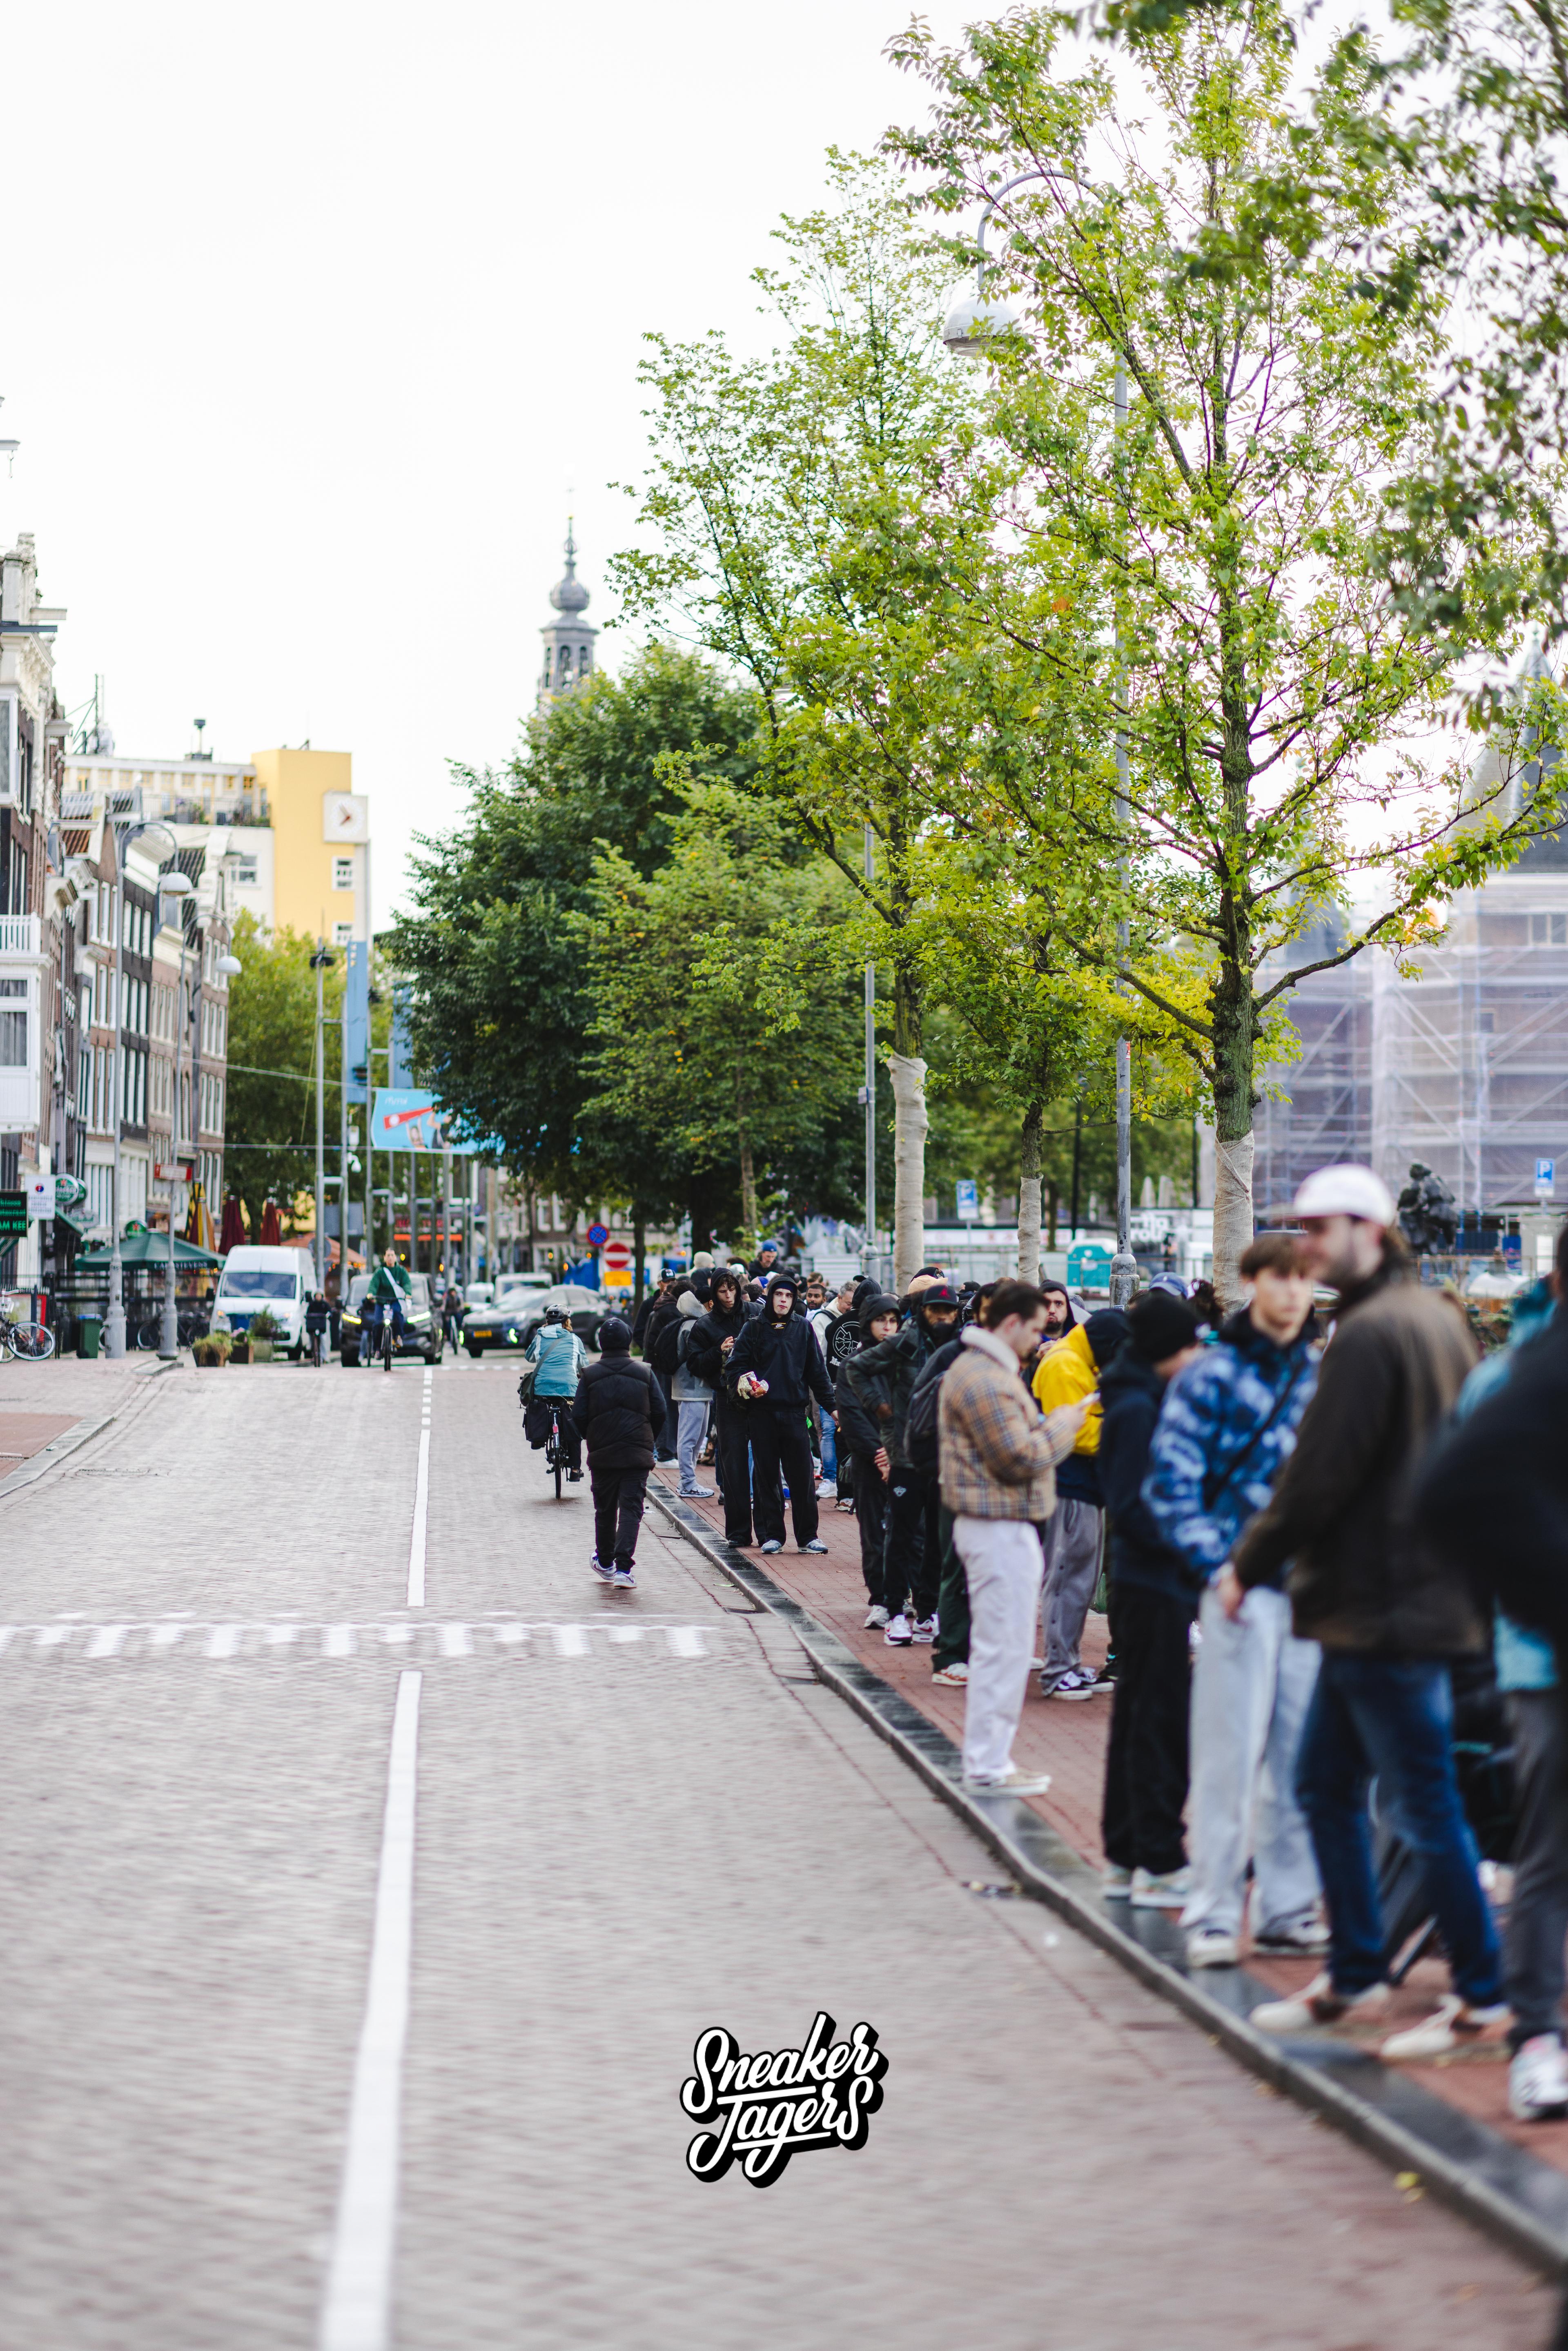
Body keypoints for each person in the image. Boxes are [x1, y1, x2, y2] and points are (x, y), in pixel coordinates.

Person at [1236, 1167, 1501, 2057]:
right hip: (1407, 1600)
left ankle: (1482, 1995)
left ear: (1372, 1230)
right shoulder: (1438, 1320)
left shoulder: (1366, 1333)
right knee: (1332, 1785)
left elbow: (1319, 1474)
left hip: (1377, 1606)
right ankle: (1358, 1972)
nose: (1308, 1245)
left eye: (1322, 1229)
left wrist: (1250, 1563)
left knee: (1420, 1804)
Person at [1412, 1228, 1568, 2113]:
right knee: (1549, 1848)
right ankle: (1536, 2035)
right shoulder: (1516, 1377)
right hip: (1542, 1655)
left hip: (1530, 1641)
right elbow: (1456, 1497)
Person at [1142, 1233, 1323, 1965]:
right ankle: (1215, 1909)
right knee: (1228, 1753)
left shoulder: (1320, 1377)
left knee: (1297, 1758)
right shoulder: (1210, 1375)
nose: (1291, 1292)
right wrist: (1217, 1566)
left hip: (1311, 1592)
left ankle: (1286, 1907)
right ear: (1252, 1282)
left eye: (1304, 1279)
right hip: (1240, 1588)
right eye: (1279, 1277)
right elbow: (1171, 1481)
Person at [938, 1281, 1090, 1793]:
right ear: (1010, 1324)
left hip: (999, 1524)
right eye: (1034, 1327)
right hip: (997, 1526)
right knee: (1002, 1646)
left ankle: (990, 1759)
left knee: (1000, 1645)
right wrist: (1063, 1426)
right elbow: (1018, 1458)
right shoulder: (985, 1378)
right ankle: (988, 1763)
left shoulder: (985, 1372)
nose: (1039, 1338)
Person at [1098, 1291, 1206, 1905]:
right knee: (1158, 1719)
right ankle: (1159, 1859)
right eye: (1191, 1344)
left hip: (1147, 1581)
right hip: (1154, 1582)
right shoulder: (1139, 1408)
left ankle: (1126, 1853)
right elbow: (1137, 1504)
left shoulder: (1135, 1398)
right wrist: (1194, 1545)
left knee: (1139, 1715)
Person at [839, 1283, 963, 1644]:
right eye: (936, 1309)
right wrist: (883, 1409)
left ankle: (927, 1612)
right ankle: (894, 1612)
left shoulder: (959, 1349)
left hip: (945, 1459)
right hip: (907, 1457)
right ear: (923, 1311)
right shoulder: (906, 1344)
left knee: (937, 1540)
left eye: (949, 1311)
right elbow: (856, 1370)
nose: (942, 1316)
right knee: (900, 1534)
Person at [1032, 1308, 1129, 1699]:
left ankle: (1068, 1663)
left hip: (1082, 1485)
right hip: (1069, 1485)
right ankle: (1058, 1669)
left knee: (1080, 1581)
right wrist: (1123, 1425)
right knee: (1066, 1578)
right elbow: (1076, 1432)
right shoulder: (1064, 1364)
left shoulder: (1075, 1361)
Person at [725, 1272, 835, 1554]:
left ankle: (808, 1535)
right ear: (770, 1297)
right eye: (778, 1295)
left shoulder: (803, 1329)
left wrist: (833, 1407)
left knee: (802, 1478)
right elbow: (735, 1367)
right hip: (761, 1414)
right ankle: (772, 1535)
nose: (784, 1300)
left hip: (795, 1414)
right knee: (766, 1477)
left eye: (788, 1296)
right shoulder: (754, 1329)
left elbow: (818, 1374)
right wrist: (749, 1385)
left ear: (794, 1298)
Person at [570, 1315, 664, 1587]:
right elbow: (660, 1411)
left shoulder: (589, 1375)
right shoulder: (645, 1372)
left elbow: (578, 1416)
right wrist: (648, 1439)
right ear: (628, 1341)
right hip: (637, 1454)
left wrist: (593, 1437)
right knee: (632, 1509)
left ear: (601, 1343)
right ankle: (624, 1568)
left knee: (605, 1509)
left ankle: (606, 1561)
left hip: (603, 1455)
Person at [834, 1292, 903, 1621]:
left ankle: (903, 1594)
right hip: (869, 1460)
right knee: (874, 1531)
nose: (888, 1328)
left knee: (907, 1531)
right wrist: (881, 1453)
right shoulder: (852, 1365)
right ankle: (880, 1598)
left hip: (905, 1460)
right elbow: (851, 1415)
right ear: (867, 1323)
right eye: (881, 1321)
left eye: (894, 1321)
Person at [686, 1270, 754, 1544]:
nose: (729, 1297)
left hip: (760, 1395)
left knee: (765, 1461)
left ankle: (770, 1530)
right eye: (723, 1291)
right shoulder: (706, 1325)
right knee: (733, 1463)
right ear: (714, 1294)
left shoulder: (754, 1313)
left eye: (732, 1290)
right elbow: (694, 1363)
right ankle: (738, 1532)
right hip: (727, 1398)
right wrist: (718, 1351)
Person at [523, 1305, 585, 1477]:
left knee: (541, 1407)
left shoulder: (540, 1337)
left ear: (547, 1322)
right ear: (567, 1321)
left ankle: (539, 1438)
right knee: (573, 1423)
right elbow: (584, 1366)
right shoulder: (574, 1340)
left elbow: (529, 1357)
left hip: (543, 1388)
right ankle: (575, 1469)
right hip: (568, 1388)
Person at [670, 1289, 716, 1499]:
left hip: (697, 1389)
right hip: (692, 1389)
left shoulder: (689, 1323)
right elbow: (694, 1359)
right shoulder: (693, 1326)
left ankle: (688, 1481)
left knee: (696, 1438)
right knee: (690, 1438)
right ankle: (687, 1483)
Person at [365, 1248, 411, 1355]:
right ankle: (377, 1349)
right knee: (377, 1324)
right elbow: (374, 1284)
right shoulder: (380, 1272)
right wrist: (371, 1294)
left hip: (395, 1301)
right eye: (388, 1256)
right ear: (385, 1258)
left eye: (392, 1255)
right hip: (381, 1302)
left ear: (395, 1258)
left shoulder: (401, 1271)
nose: (390, 1258)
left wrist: (408, 1293)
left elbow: (407, 1283)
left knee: (398, 1316)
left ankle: (398, 1337)